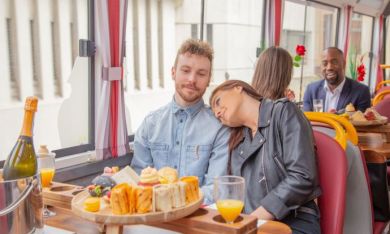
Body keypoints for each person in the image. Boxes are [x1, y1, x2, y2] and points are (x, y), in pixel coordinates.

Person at [210, 80, 321, 233]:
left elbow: (303, 176)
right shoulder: (237, 144)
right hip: (253, 226)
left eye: (218, 101)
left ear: (238, 88)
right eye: (215, 114)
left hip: (293, 222)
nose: (217, 113)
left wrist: (252, 220)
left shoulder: (284, 112)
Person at [131, 39, 230, 204]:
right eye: (186, 70)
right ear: (173, 72)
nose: (192, 79)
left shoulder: (220, 128)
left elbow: (217, 189)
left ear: (208, 79)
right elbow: (140, 181)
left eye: (201, 73)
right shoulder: (150, 125)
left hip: (197, 221)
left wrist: (173, 201)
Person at [303, 47, 371, 113]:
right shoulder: (311, 90)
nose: (329, 67)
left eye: (334, 62)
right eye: (325, 63)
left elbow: (361, 122)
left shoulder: (361, 92)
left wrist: (334, 118)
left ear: (344, 64)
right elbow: (307, 119)